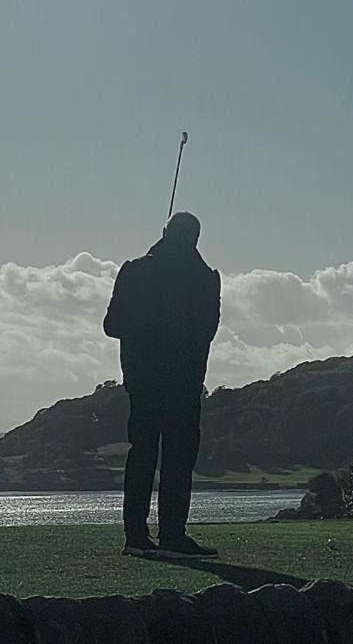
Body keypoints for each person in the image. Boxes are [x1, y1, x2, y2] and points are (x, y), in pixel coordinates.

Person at [103, 211, 220, 559]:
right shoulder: (206, 278)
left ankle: (136, 535)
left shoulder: (135, 270)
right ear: (195, 239)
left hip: (142, 378)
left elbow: (112, 325)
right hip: (184, 382)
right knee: (178, 459)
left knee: (142, 454)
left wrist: (143, 328)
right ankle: (172, 534)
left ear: (164, 233)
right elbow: (207, 331)